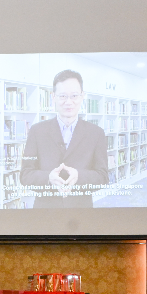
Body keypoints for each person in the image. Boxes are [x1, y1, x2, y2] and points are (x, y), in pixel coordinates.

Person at [19, 69, 109, 209]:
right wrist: (48, 178)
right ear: (53, 97)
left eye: (74, 96)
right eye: (62, 96)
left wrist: (79, 176)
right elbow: (25, 175)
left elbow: (103, 176)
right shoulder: (37, 131)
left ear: (82, 96)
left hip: (81, 211)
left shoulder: (96, 133)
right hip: (45, 211)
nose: (68, 102)